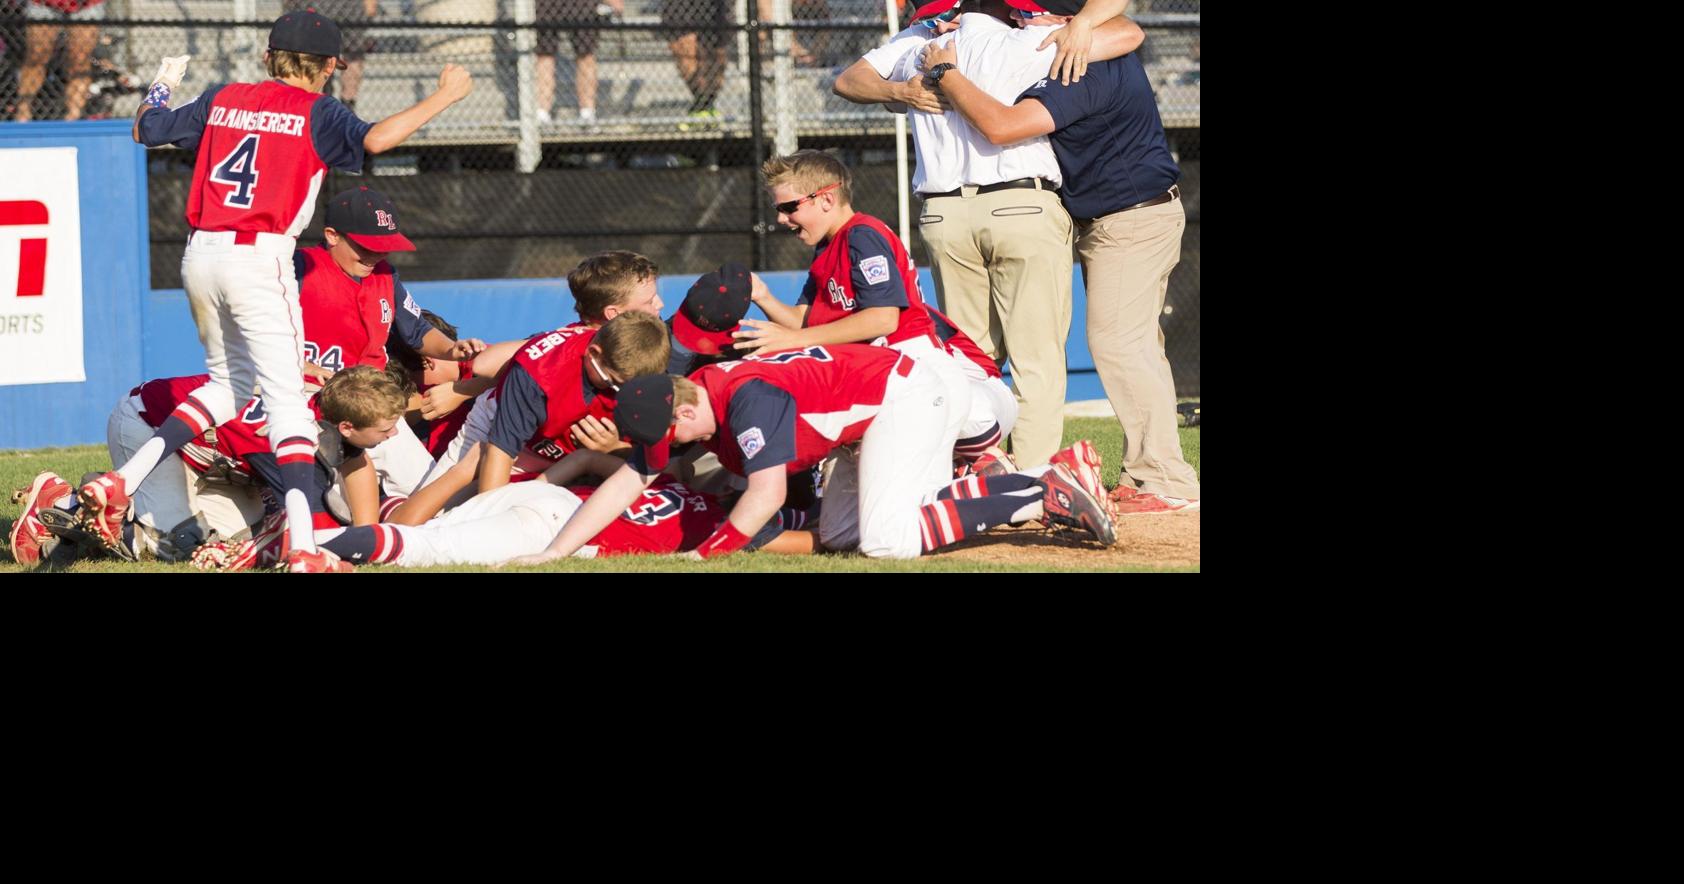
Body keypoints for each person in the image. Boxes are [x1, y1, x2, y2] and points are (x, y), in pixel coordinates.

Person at [80, 10, 472, 572]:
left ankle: (122, 480)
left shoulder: (225, 96)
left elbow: (147, 127)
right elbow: (379, 140)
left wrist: (162, 85)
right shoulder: (318, 109)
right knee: (285, 398)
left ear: (268, 58)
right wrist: (446, 96)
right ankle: (304, 550)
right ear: (332, 66)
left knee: (231, 386)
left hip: (197, 254)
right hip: (260, 255)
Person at [921, 0, 1199, 512]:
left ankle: (1165, 480)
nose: (1021, 22)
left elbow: (1001, 127)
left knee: (1116, 343)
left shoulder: (1085, 63)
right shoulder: (1078, 44)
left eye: (1030, 15)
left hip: (1132, 217)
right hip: (1118, 217)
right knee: (1136, 345)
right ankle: (1155, 473)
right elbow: (1126, 26)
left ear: (1059, 20)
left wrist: (944, 72)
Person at [506, 346, 1114, 566]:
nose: (669, 450)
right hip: (867, 418)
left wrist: (701, 557)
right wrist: (553, 553)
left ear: (683, 412)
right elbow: (627, 484)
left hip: (902, 397)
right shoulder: (698, 397)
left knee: (889, 540)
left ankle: (1039, 489)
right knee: (847, 537)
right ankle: (1034, 478)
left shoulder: (742, 400)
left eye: (669, 435)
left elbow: (765, 495)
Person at [833, 0, 1076, 469]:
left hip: (945, 213)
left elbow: (846, 80)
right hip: (1021, 203)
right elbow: (1123, 36)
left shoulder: (918, 44)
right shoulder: (1027, 39)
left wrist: (900, 92)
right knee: (1037, 358)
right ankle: (1031, 475)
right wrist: (1079, 24)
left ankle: (974, 467)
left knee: (969, 356)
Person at [740, 148, 1018, 465]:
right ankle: (969, 476)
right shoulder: (826, 249)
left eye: (789, 207)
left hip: (942, 375)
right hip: (897, 371)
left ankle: (1001, 473)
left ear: (827, 199)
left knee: (965, 424)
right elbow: (805, 322)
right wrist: (762, 295)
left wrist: (793, 341)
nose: (780, 218)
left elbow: (883, 318)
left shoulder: (861, 234)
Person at [11, 0, 104, 122]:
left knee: (80, 60)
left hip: (85, 4)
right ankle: (23, 111)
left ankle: (73, 116)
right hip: (44, 3)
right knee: (37, 56)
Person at [535, 0, 621, 126]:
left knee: (586, 54)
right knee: (545, 54)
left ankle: (587, 113)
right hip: (547, 4)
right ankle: (542, 113)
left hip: (581, 4)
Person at [282, 0, 378, 113]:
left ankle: (347, 107)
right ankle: (322, 101)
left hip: (349, 6)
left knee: (353, 54)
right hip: (319, 5)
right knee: (315, 53)